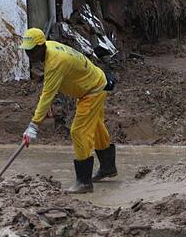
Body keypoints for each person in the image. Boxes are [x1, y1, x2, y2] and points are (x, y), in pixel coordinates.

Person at [18, 28, 116, 194]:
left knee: (78, 131)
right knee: (96, 126)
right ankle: (108, 167)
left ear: (41, 46)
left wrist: (34, 125)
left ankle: (84, 182)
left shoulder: (56, 61)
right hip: (95, 83)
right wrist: (45, 108)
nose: (29, 55)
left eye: (32, 51)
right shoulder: (49, 50)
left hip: (92, 91)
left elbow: (48, 94)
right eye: (27, 51)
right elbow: (49, 89)